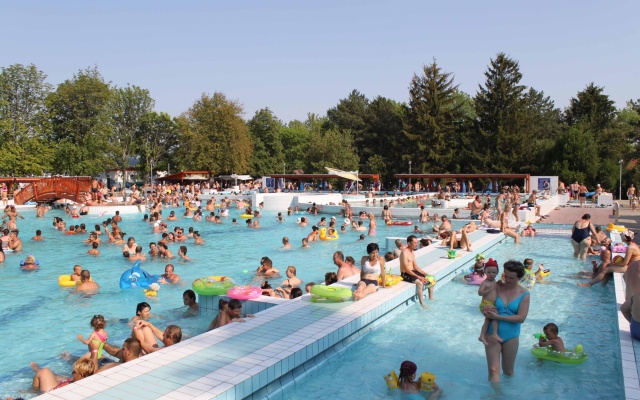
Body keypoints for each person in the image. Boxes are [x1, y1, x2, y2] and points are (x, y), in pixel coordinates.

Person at [484, 260, 530, 383]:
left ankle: (509, 391)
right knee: (493, 370)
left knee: (508, 372)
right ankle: (495, 393)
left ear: (519, 278)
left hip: (511, 336)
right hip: (492, 334)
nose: (507, 280)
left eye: (512, 278)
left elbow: (521, 318)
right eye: (506, 276)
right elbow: (485, 304)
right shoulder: (496, 287)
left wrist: (498, 317)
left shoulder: (524, 294)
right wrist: (485, 310)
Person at [400, 235, 433, 308]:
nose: (416, 244)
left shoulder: (412, 252)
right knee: (420, 283)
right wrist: (419, 277)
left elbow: (415, 266)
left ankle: (431, 298)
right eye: (415, 243)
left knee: (430, 278)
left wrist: (425, 274)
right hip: (405, 274)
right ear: (409, 243)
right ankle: (422, 304)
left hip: (412, 272)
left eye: (417, 243)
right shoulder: (404, 253)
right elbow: (406, 269)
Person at [30, 358, 95, 393]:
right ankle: (37, 369)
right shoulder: (78, 381)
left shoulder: (76, 388)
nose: (72, 372)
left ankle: (33, 392)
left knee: (45, 371)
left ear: (81, 375)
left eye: (74, 371)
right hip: (58, 386)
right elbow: (57, 377)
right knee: (51, 374)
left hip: (51, 394)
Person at [477, 259, 502, 345]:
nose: (491, 274)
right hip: (485, 304)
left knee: (487, 320)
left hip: (491, 304)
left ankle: (482, 336)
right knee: (495, 316)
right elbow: (480, 293)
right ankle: (494, 333)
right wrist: (489, 290)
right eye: (489, 272)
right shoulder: (485, 283)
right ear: (485, 272)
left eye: (493, 272)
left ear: (497, 272)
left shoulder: (495, 281)